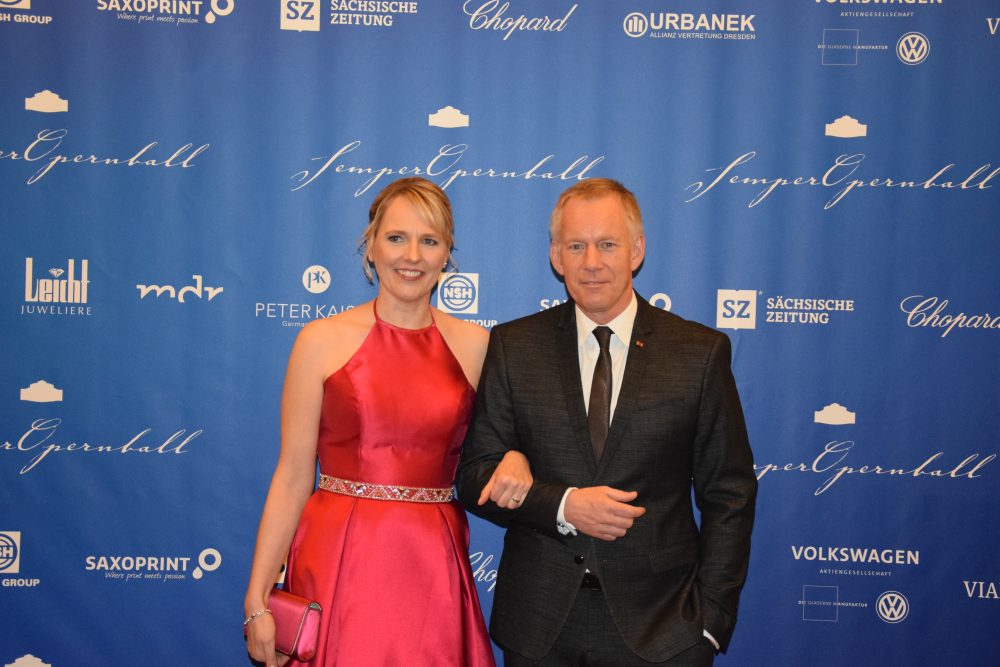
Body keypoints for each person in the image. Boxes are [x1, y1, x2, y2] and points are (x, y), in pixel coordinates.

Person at [456, 178, 757, 666]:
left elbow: (730, 493)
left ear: (637, 250)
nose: (591, 262)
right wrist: (564, 505)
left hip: (665, 630)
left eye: (608, 244)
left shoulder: (698, 354)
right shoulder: (514, 347)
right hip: (540, 629)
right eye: (576, 246)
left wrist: (710, 620)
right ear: (556, 256)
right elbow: (474, 477)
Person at [244, 177, 531, 667]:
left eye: (430, 240)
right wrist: (257, 600)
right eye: (397, 237)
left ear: (447, 255)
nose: (412, 256)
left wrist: (517, 456)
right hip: (336, 555)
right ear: (371, 245)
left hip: (432, 561)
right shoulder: (320, 341)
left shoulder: (478, 346)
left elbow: (506, 444)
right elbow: (292, 476)